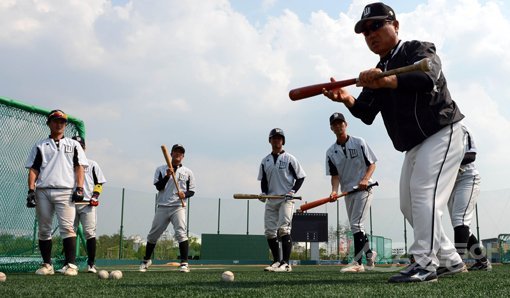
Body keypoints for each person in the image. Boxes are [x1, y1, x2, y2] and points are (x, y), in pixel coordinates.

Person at [323, 2, 466, 283]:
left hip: (442, 132)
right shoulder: (380, 68)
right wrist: (346, 98)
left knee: (424, 193)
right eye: (365, 31)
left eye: (377, 25)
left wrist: (384, 81)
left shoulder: (417, 49)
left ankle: (425, 263)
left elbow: (429, 76)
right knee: (409, 205)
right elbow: (365, 112)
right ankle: (451, 259)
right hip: (414, 145)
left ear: (395, 26)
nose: (371, 34)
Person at [25, 109, 89, 276]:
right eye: (55, 121)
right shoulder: (40, 145)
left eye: (62, 122)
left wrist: (80, 188)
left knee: (68, 227)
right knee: (44, 229)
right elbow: (33, 169)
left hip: (66, 190)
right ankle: (47, 265)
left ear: (65, 125)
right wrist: (31, 190)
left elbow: (79, 167)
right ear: (49, 123)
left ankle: (71, 265)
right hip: (43, 191)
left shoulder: (74, 145)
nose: (59, 124)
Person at [326, 112, 378, 273]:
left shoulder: (359, 142)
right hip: (347, 192)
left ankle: (358, 263)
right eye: (335, 124)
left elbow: (372, 164)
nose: (338, 126)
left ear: (346, 124)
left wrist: (365, 179)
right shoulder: (330, 152)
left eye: (340, 123)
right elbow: (335, 176)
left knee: (356, 224)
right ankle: (369, 253)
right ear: (331, 128)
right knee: (356, 226)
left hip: (364, 189)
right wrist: (334, 191)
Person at [139, 144, 196, 273]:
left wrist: (184, 194)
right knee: (153, 235)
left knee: (181, 233)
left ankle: (184, 263)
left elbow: (191, 191)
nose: (178, 154)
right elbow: (158, 187)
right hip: (163, 206)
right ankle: (146, 260)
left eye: (180, 153)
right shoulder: (161, 169)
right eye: (176, 152)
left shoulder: (188, 172)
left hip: (178, 206)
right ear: (171, 154)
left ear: (183, 156)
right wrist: (167, 176)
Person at [258, 128, 306, 272]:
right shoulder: (265, 160)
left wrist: (292, 191)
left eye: (279, 138)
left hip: (286, 199)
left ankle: (286, 263)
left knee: (284, 229)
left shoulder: (290, 158)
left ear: (283, 141)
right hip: (271, 199)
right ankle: (276, 261)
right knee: (269, 232)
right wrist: (264, 193)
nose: (277, 140)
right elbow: (264, 181)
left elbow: (301, 177)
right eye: (274, 138)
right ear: (270, 140)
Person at [447, 124, 491, 271]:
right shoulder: (434, 134)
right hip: (450, 182)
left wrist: (446, 162)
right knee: (461, 224)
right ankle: (482, 262)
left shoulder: (461, 129)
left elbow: (471, 155)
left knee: (460, 220)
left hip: (467, 178)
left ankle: (457, 262)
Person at [66, 136, 107, 274]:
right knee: (69, 232)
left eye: (81, 145)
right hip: (70, 204)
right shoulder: (65, 164)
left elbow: (99, 183)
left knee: (90, 233)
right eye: (76, 145)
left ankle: (91, 264)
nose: (79, 148)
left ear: (84, 148)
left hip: (87, 204)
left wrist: (95, 196)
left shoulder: (92, 164)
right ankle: (68, 264)